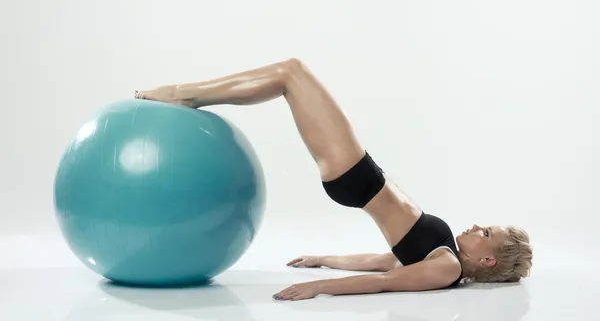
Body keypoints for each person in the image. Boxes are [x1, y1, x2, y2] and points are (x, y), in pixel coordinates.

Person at [134, 58, 533, 301]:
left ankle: (185, 95)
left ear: (488, 260)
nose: (478, 226)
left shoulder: (447, 268)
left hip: (357, 176)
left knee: (290, 73)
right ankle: (187, 95)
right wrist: (323, 260)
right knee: (290, 75)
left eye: (486, 233)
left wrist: (319, 289)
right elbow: (384, 262)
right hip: (359, 176)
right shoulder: (443, 255)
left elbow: (386, 283)